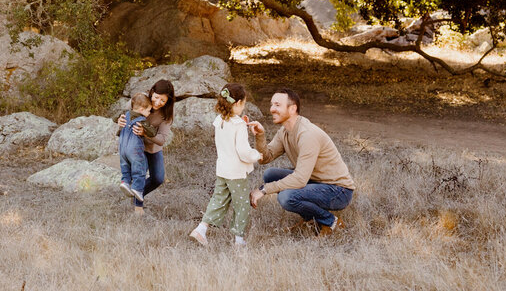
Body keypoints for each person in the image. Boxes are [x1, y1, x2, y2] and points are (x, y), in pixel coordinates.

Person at [248, 88, 354, 236]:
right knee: (270, 174)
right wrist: (260, 136)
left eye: (277, 105)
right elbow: (265, 158)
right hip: (315, 180)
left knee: (286, 197)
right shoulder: (285, 131)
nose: (272, 109)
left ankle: (331, 222)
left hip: (338, 190)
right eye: (272, 104)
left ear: (292, 109)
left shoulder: (307, 134)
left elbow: (300, 179)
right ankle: (311, 220)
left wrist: (264, 190)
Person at [189, 83, 262, 246]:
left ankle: (201, 229)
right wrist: (257, 155)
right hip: (236, 172)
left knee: (218, 199)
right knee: (241, 204)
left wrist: (241, 122)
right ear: (237, 104)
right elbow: (243, 151)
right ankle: (239, 239)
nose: (243, 107)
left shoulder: (220, 120)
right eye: (243, 104)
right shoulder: (239, 125)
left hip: (222, 169)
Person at [116, 79, 175, 214]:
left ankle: (135, 194)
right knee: (138, 174)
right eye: (156, 97)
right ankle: (138, 206)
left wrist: (146, 134)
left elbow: (161, 139)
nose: (158, 102)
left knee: (158, 178)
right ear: (152, 92)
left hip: (152, 148)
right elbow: (125, 113)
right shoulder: (140, 99)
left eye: (163, 101)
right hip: (134, 147)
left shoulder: (167, 114)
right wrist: (120, 120)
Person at [116, 92, 158, 202]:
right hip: (134, 149)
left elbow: (118, 130)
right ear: (141, 110)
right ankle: (137, 188)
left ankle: (125, 182)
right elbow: (152, 133)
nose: (149, 113)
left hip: (122, 149)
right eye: (148, 110)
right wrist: (148, 129)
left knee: (125, 167)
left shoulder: (125, 116)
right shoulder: (141, 120)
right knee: (140, 166)